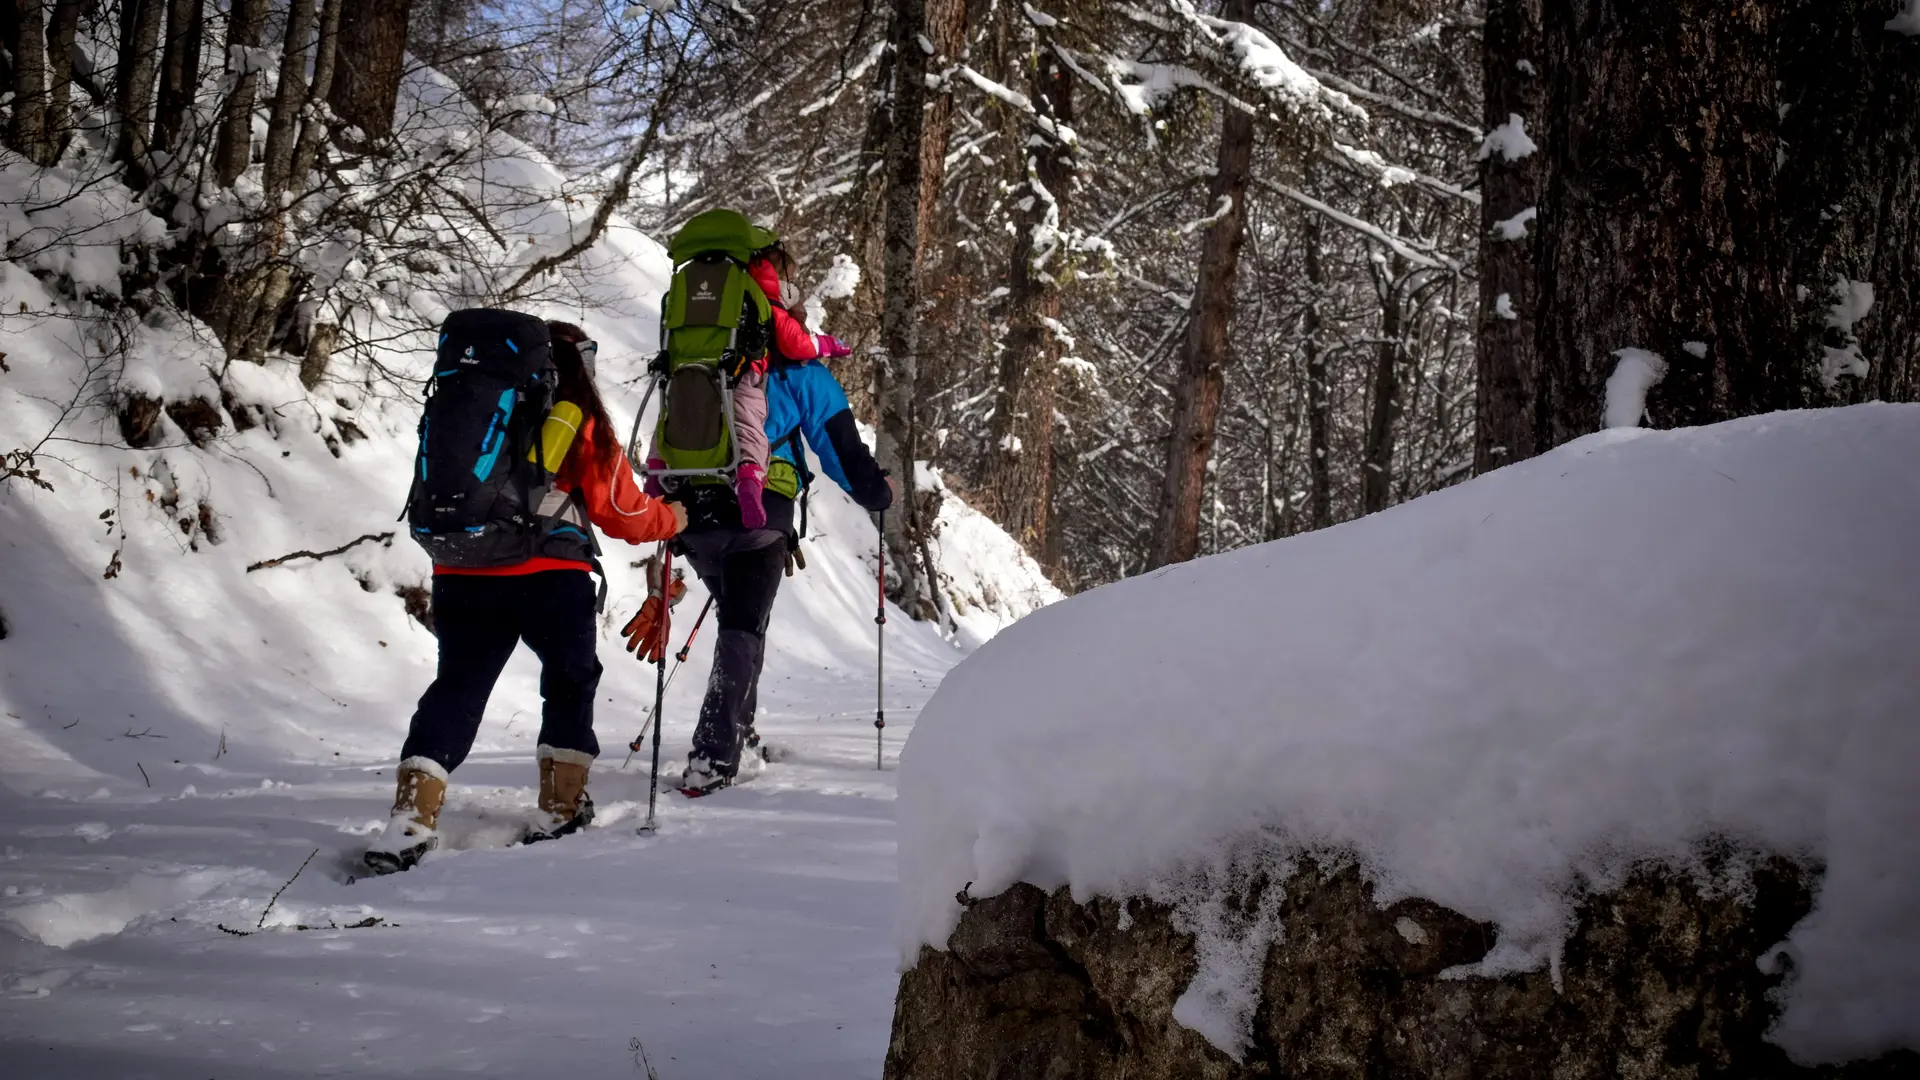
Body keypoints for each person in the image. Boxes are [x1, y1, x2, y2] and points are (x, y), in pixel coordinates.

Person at [366, 321, 687, 873]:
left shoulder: (465, 405)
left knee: (458, 687)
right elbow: (622, 511)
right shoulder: (573, 415)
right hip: (550, 576)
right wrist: (671, 519)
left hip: (462, 569)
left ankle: (410, 820)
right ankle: (561, 807)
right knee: (569, 681)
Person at [628, 244, 890, 793]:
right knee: (742, 629)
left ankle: (737, 736)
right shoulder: (800, 373)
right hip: (758, 515)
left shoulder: (697, 362)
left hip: (692, 512)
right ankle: (712, 756)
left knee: (742, 622)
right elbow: (843, 455)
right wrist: (877, 494)